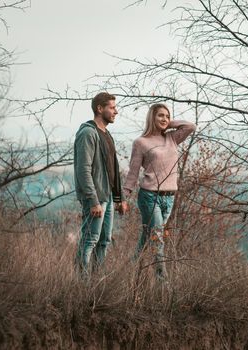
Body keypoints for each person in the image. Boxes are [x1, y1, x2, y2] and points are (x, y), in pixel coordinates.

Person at [123, 103, 196, 280]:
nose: (164, 119)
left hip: (169, 198)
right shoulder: (141, 143)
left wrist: (169, 124)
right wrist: (124, 197)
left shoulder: (172, 138)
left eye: (167, 116)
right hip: (149, 197)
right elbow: (133, 172)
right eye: (160, 116)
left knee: (148, 238)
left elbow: (190, 126)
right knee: (157, 239)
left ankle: (130, 272)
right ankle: (163, 282)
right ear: (151, 118)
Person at [74, 92, 129, 277]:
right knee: (90, 240)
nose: (116, 111)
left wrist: (119, 198)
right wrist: (93, 200)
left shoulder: (106, 134)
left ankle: (97, 284)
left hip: (106, 197)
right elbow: (83, 170)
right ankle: (82, 284)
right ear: (100, 108)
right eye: (112, 108)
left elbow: (112, 169)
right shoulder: (88, 133)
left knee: (104, 240)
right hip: (96, 198)